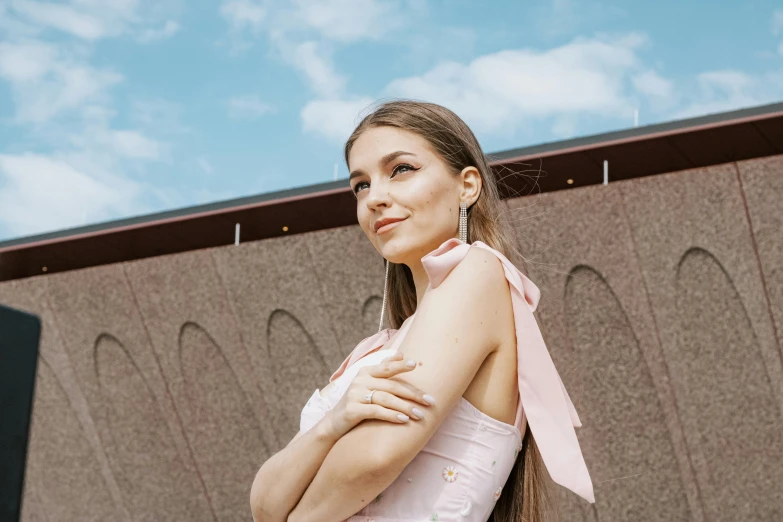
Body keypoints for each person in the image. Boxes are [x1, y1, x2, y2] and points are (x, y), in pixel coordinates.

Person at [250, 100, 594, 522]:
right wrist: (334, 423)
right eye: (360, 185)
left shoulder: (477, 272)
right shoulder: (381, 344)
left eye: (401, 170)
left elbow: (376, 456)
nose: (375, 197)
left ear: (467, 185)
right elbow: (263, 503)